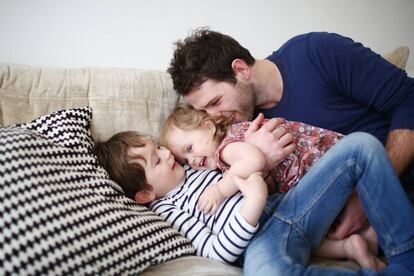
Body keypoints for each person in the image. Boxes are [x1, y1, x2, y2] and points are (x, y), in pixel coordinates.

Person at [167, 28, 414, 240]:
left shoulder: (315, 52)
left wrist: (365, 198)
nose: (214, 116)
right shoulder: (244, 130)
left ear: (240, 70)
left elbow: (409, 98)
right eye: (204, 111)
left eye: (216, 101)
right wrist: (261, 163)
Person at [94, 130, 414, 275]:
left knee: (362, 145)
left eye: (158, 147)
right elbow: (217, 252)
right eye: (155, 160)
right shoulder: (168, 210)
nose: (167, 153)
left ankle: (406, 253)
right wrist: (253, 201)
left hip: (291, 206)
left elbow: (235, 153)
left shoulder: (196, 164)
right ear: (145, 194)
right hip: (263, 241)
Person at [159, 103, 383, 270]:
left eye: (190, 147)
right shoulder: (214, 162)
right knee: (308, 234)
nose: (193, 160)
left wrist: (219, 190)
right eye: (185, 160)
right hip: (309, 181)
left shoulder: (228, 146)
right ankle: (353, 245)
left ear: (208, 126)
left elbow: (254, 160)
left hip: (318, 161)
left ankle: (366, 237)